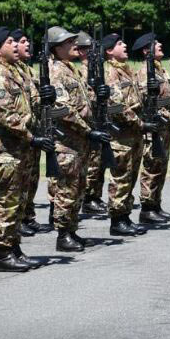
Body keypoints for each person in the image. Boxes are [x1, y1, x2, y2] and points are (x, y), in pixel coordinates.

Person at [0, 27, 46, 271]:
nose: (16, 45)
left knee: (19, 201)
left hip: (21, 149)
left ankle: (14, 247)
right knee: (7, 201)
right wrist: (32, 138)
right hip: (7, 150)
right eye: (10, 42)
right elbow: (7, 117)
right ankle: (2, 254)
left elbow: (29, 106)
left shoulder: (16, 74)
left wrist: (44, 97)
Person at [48, 26, 110, 252]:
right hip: (67, 142)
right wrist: (88, 130)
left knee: (78, 188)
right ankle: (63, 235)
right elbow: (62, 109)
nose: (74, 45)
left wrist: (98, 95)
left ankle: (72, 230)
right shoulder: (55, 71)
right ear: (56, 48)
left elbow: (83, 99)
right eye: (68, 43)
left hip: (79, 142)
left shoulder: (70, 69)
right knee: (66, 190)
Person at [101, 33, 147, 236]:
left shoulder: (125, 71)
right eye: (120, 44)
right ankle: (117, 220)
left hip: (133, 135)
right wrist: (139, 122)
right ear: (109, 51)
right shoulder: (111, 73)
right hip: (121, 136)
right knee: (120, 178)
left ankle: (125, 216)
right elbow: (116, 106)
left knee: (130, 177)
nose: (125, 45)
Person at [10, 28, 52, 236]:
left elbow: (34, 100)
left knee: (31, 179)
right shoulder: (11, 72)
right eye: (22, 41)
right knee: (19, 182)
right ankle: (19, 220)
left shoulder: (26, 70)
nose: (27, 45)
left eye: (28, 41)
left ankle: (27, 215)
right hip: (22, 135)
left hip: (33, 132)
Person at [135, 33, 170, 224]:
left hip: (164, 126)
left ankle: (156, 204)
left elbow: (166, 98)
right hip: (154, 126)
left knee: (161, 166)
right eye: (155, 43)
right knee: (151, 167)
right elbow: (147, 102)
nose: (160, 44)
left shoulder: (161, 70)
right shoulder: (145, 72)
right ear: (146, 51)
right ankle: (147, 208)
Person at [77, 31, 106, 216]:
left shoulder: (98, 67)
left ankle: (95, 194)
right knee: (92, 163)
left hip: (100, 118)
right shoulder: (81, 71)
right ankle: (88, 198)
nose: (93, 52)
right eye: (88, 49)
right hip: (88, 120)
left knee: (100, 161)